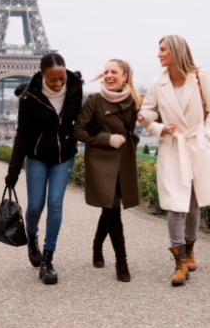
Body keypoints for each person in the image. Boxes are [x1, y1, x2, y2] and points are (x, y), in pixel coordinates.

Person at [137, 35, 210, 286]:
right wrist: (156, 127)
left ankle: (189, 249)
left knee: (194, 203)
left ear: (175, 51)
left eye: (163, 49)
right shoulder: (157, 83)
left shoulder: (200, 76)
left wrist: (206, 137)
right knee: (174, 204)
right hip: (172, 146)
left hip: (196, 145)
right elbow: (148, 112)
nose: (159, 54)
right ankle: (179, 262)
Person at [5, 53, 83, 285]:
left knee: (56, 204)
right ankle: (32, 238)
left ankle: (48, 259)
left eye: (62, 78)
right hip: (37, 156)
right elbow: (22, 136)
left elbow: (82, 120)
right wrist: (13, 171)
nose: (58, 84)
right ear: (41, 75)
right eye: (52, 80)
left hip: (64, 156)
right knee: (36, 206)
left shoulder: (75, 88)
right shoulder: (29, 97)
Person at [75, 59, 142, 282]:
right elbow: (79, 131)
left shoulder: (135, 100)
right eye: (106, 72)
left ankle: (97, 245)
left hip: (123, 160)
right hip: (100, 161)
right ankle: (122, 262)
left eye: (114, 72)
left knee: (109, 207)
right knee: (113, 207)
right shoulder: (94, 100)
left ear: (125, 76)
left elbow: (154, 117)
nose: (109, 75)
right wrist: (107, 139)